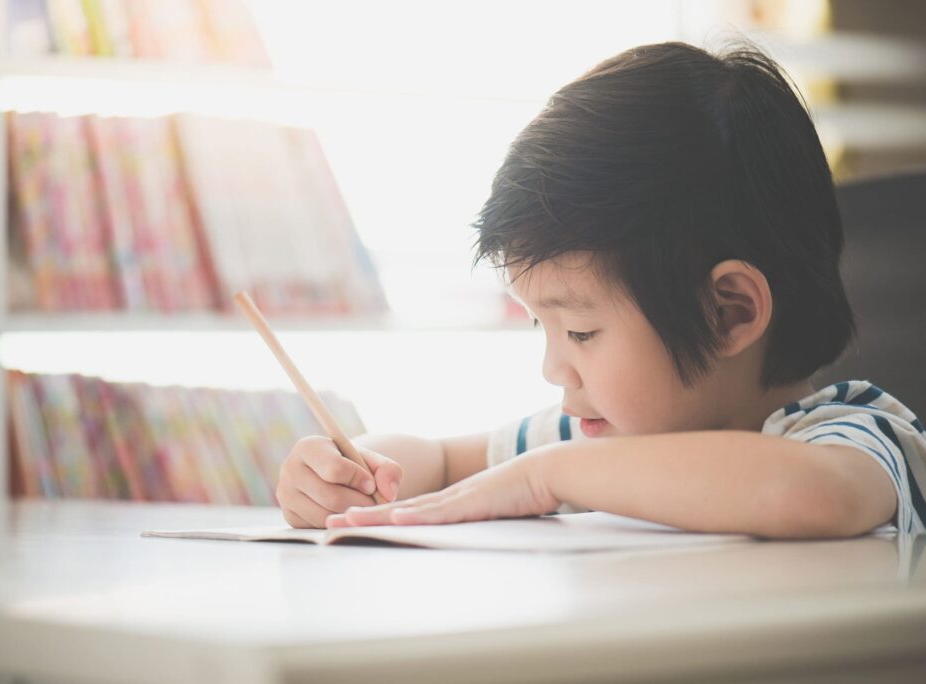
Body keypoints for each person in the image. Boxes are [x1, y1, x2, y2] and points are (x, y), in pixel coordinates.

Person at [276, 40, 926, 537]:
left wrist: (547, 476)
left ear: (728, 312)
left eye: (581, 331)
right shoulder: (599, 436)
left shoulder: (856, 433)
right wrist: (358, 473)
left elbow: (808, 496)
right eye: (544, 327)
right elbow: (443, 463)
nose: (554, 366)